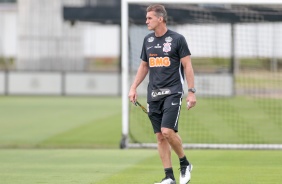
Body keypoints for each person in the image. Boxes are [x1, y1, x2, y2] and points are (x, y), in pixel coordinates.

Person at [128, 4, 196, 184]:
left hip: (172, 93)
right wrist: (133, 87)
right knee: (160, 136)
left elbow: (187, 66)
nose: (146, 21)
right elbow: (144, 66)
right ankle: (169, 177)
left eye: (149, 18)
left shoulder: (177, 39)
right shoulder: (147, 40)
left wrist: (191, 92)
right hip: (154, 95)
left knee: (167, 131)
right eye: (146, 18)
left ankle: (184, 163)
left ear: (160, 18)